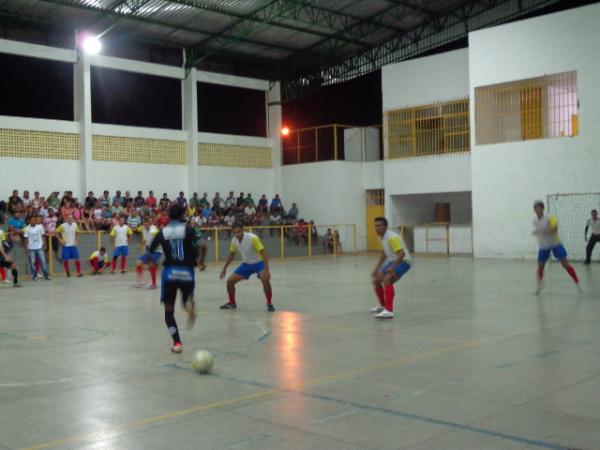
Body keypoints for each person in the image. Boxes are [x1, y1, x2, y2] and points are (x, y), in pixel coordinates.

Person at [149, 204, 197, 353]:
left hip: (169, 273)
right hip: (187, 273)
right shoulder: (189, 230)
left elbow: (151, 249)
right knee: (185, 300)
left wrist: (155, 261)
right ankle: (189, 307)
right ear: (183, 215)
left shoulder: (162, 232)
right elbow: (201, 245)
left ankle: (177, 343)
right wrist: (197, 260)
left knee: (169, 311)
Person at [219, 222, 274, 312]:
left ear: (243, 230)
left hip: (259, 263)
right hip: (246, 264)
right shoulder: (234, 241)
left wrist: (267, 270)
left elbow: (264, 253)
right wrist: (224, 268)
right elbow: (231, 255)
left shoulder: (253, 238)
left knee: (265, 280)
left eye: (239, 232)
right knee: (230, 281)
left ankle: (269, 302)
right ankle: (232, 303)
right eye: (235, 232)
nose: (237, 234)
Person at [532, 200, 580, 293]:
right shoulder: (534, 221)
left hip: (555, 244)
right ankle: (539, 286)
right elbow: (539, 233)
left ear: (543, 208)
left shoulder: (550, 217)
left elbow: (554, 230)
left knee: (565, 265)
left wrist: (542, 231)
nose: (537, 210)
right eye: (536, 208)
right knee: (540, 267)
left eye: (539, 208)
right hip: (543, 246)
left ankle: (577, 282)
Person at [370, 217, 412, 319]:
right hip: (394, 261)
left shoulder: (392, 237)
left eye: (379, 226)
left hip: (404, 262)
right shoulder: (381, 237)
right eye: (375, 226)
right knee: (376, 280)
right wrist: (376, 268)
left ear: (385, 227)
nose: (377, 228)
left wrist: (392, 268)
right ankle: (383, 306)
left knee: (387, 279)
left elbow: (401, 254)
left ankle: (389, 311)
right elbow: (384, 253)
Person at [136, 219, 162, 288]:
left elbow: (160, 237)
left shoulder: (154, 230)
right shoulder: (144, 230)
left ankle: (154, 283)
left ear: (150, 224)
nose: (145, 225)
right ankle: (140, 281)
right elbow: (145, 240)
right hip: (150, 251)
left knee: (151, 264)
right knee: (138, 263)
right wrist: (141, 246)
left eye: (147, 224)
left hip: (157, 251)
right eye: (144, 224)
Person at [23, 215, 50, 281]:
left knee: (43, 261)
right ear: (29, 221)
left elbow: (43, 236)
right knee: (32, 262)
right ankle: (34, 275)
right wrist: (26, 248)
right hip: (31, 248)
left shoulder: (40, 227)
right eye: (31, 220)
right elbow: (26, 239)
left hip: (39, 247)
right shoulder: (27, 228)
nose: (33, 221)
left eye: (34, 220)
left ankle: (46, 275)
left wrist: (45, 244)